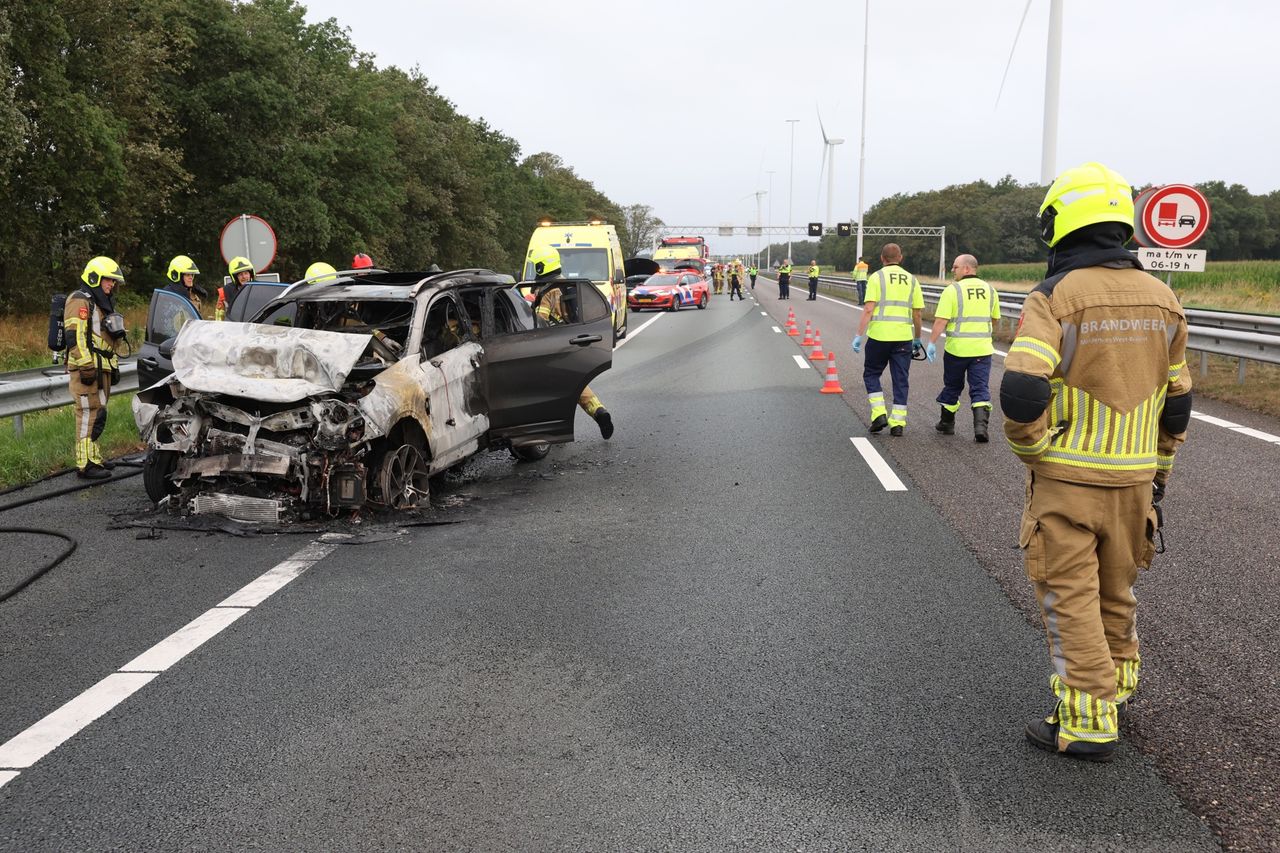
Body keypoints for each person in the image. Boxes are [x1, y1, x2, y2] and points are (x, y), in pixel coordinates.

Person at [1001, 162, 1192, 763]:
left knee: (1069, 596)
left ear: (1062, 224)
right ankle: (1117, 690)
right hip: (1135, 482)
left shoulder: (1055, 296)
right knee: (1117, 590)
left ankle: (1086, 721)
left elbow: (1024, 390)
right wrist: (1159, 468)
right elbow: (1178, 400)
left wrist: (1033, 451)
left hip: (1068, 480)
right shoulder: (1164, 298)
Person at [527, 245, 614, 439]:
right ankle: (598, 411)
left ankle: (548, 428)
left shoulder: (548, 291)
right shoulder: (571, 285)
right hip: (573, 341)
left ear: (542, 267)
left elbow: (540, 322)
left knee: (546, 386)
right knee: (575, 383)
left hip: (552, 344)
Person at [65, 257, 129, 479]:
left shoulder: (99, 302)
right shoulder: (79, 300)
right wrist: (85, 365)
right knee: (86, 414)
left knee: (98, 413)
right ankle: (84, 464)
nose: (111, 284)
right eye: (108, 280)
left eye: (112, 280)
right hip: (87, 369)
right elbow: (74, 336)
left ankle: (94, 457)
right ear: (94, 277)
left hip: (102, 368)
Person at [849, 243, 924, 436]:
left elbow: (868, 309)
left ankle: (879, 414)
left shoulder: (876, 277)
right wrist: (917, 338)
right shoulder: (912, 280)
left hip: (879, 336)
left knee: (871, 374)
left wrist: (859, 335)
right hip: (903, 338)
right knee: (901, 379)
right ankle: (898, 424)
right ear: (901, 258)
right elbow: (917, 314)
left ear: (882, 258)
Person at [925, 253, 1000, 442]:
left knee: (953, 386)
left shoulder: (953, 291)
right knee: (980, 387)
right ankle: (980, 428)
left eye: (955, 267)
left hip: (957, 350)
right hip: (982, 350)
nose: (952, 270)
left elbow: (941, 320)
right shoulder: (990, 290)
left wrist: (932, 343)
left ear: (967, 268)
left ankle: (947, 423)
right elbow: (995, 320)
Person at [218, 256, 255, 321]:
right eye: (240, 274)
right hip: (234, 327)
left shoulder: (259, 289)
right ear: (235, 277)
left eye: (246, 273)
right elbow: (219, 317)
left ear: (250, 274)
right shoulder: (225, 292)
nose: (244, 277)